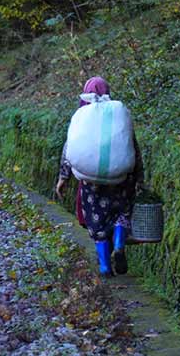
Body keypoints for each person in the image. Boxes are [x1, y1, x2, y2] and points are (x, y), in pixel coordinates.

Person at [55, 76, 143, 277]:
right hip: (121, 181)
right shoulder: (118, 115)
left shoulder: (82, 117)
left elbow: (70, 150)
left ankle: (104, 266)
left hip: (91, 184)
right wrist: (139, 179)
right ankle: (119, 245)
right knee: (122, 214)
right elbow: (133, 149)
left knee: (97, 224)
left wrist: (63, 178)